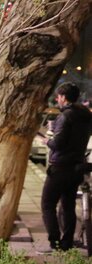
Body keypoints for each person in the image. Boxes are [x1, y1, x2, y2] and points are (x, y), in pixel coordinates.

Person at [41, 82, 92, 251]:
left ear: (63, 97)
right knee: (68, 205)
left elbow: (59, 143)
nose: (57, 99)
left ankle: (54, 242)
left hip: (60, 168)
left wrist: (48, 140)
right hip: (76, 167)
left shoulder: (66, 116)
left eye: (59, 96)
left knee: (47, 204)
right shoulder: (85, 115)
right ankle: (67, 243)